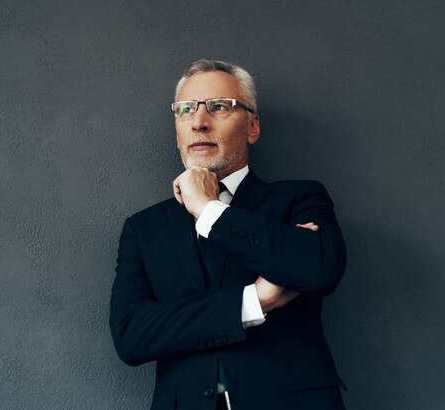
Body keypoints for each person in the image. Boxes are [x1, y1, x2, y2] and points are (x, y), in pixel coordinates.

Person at [109, 59, 347, 410]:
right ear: (177, 130)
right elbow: (132, 336)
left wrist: (208, 209)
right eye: (186, 110)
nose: (199, 122)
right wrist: (255, 301)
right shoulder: (144, 228)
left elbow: (318, 268)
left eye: (219, 107)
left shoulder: (299, 198)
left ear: (252, 126)